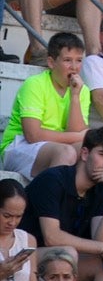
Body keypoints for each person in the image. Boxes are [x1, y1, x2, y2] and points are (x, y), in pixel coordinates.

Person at [21, 125, 103, 281]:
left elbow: (101, 240)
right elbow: (52, 237)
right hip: (25, 258)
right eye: (102, 155)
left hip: (62, 264)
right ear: (85, 154)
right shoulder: (53, 180)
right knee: (67, 252)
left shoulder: (102, 189)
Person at [1, 30, 88, 176]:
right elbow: (33, 135)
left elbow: (75, 129)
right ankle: (47, 197)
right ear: (51, 62)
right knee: (67, 152)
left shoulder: (81, 90)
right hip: (19, 145)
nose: (74, 67)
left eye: (78, 60)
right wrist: (81, 136)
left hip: (55, 146)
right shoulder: (34, 84)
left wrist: (74, 96)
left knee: (90, 153)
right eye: (67, 60)